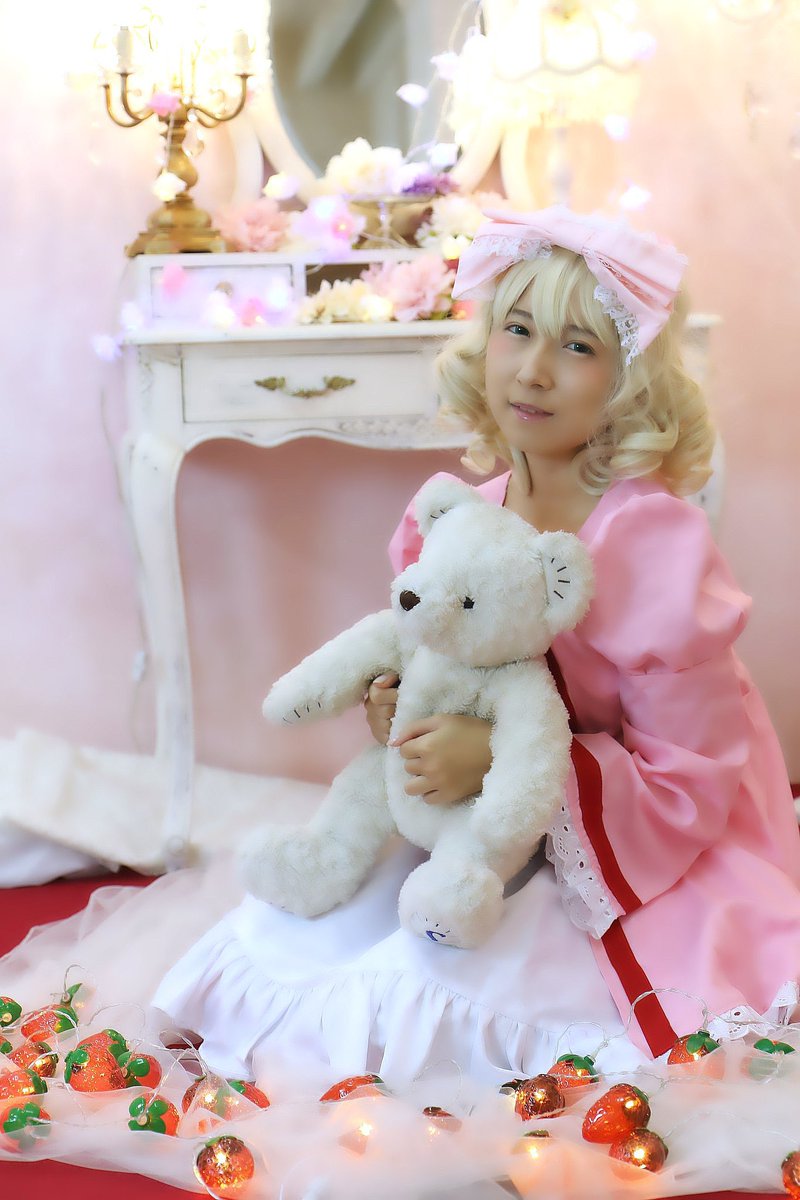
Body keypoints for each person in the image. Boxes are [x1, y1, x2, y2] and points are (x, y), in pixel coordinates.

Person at [150, 206, 800, 1085]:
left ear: (627, 380)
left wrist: (498, 758)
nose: (533, 370)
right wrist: (399, 710)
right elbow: (434, 662)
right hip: (484, 821)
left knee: (443, 984)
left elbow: (692, 772)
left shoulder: (650, 544)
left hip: (638, 828)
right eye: (516, 330)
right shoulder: (462, 516)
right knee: (306, 937)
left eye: (578, 347)